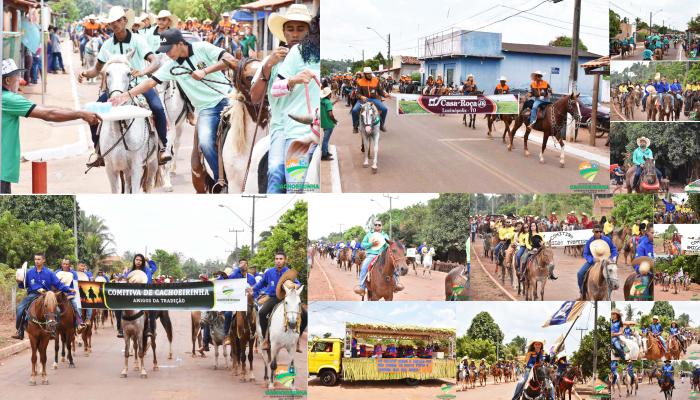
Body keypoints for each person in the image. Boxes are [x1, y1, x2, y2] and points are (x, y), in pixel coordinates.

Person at [109, 29, 239, 185]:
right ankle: (222, 180)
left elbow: (230, 59)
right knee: (204, 143)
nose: (167, 54)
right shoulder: (170, 66)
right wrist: (125, 95)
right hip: (207, 109)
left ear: (180, 44)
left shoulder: (203, 47)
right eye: (164, 51)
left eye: (169, 49)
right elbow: (150, 82)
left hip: (229, 98)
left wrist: (205, 71)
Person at [77, 7, 170, 168]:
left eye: (118, 20)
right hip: (114, 90)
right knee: (92, 113)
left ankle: (163, 147)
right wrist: (85, 74)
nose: (115, 24)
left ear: (125, 21)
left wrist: (142, 71)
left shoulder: (138, 40)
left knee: (158, 108)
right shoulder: (106, 45)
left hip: (140, 85)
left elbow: (155, 61)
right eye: (112, 22)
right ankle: (98, 152)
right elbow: (96, 70)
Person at [1, 59, 101, 193]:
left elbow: (46, 109)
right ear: (7, 81)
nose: (20, 80)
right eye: (17, 76)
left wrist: (76, 111)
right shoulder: (7, 99)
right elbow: (48, 114)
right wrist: (81, 114)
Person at [250, 251, 307, 353]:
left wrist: (294, 285)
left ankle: (297, 339)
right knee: (262, 313)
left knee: (305, 315)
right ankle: (265, 339)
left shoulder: (289, 272)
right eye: (276, 259)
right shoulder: (269, 272)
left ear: (285, 260)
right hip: (273, 298)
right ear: (274, 260)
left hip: (287, 298)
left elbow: (298, 283)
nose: (278, 261)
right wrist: (252, 289)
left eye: (281, 259)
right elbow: (261, 283)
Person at [12, 253, 76, 339]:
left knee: (56, 310)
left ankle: (53, 331)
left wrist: (68, 289)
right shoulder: (29, 272)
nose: (37, 261)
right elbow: (23, 285)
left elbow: (58, 284)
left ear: (43, 260)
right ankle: (20, 331)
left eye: (39, 259)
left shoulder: (49, 273)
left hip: (47, 295)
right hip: (33, 294)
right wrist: (19, 282)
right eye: (35, 259)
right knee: (20, 308)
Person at [354, 219, 404, 295]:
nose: (377, 226)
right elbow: (363, 245)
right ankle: (362, 287)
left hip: (383, 255)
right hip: (371, 255)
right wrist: (371, 244)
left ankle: (396, 284)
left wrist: (387, 244)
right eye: (376, 225)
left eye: (379, 225)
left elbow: (389, 245)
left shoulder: (385, 235)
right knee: (364, 266)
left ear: (381, 226)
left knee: (393, 264)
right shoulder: (369, 235)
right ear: (373, 226)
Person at [577, 225, 618, 298]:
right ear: (593, 232)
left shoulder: (607, 239)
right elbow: (585, 254)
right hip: (593, 261)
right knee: (580, 273)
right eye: (596, 232)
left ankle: (608, 294)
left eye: (600, 231)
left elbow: (614, 249)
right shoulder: (590, 241)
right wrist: (592, 259)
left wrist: (612, 258)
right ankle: (582, 292)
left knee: (611, 274)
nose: (599, 233)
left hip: (606, 260)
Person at [352, 66, 390, 133]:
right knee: (354, 111)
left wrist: (385, 94)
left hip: (373, 99)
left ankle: (381, 125)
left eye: (370, 73)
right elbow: (357, 93)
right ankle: (355, 126)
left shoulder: (376, 80)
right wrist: (361, 97)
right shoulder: (360, 82)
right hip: (362, 100)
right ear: (364, 74)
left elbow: (380, 91)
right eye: (367, 73)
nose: (369, 74)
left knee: (385, 109)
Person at [320, 86, 337, 161]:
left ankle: (326, 152)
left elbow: (327, 105)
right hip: (329, 123)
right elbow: (330, 114)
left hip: (324, 123)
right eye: (330, 94)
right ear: (329, 94)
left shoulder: (322, 101)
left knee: (325, 139)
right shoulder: (328, 102)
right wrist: (334, 120)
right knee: (326, 140)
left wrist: (334, 102)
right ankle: (324, 155)